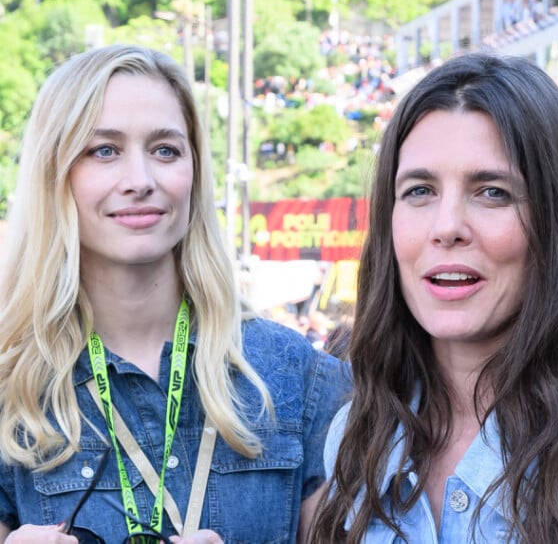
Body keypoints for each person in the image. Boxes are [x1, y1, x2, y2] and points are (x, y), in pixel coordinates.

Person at [0, 44, 351, 543]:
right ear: (55, 172)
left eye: (166, 150)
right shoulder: (11, 392)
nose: (141, 181)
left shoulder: (301, 379)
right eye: (105, 150)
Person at [309, 52, 558, 543]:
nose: (447, 227)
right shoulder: (354, 434)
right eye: (419, 191)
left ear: (556, 219)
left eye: (493, 192)